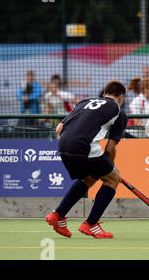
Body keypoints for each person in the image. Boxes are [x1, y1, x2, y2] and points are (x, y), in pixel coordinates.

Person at [46, 79, 131, 239]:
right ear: (121, 97)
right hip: (83, 146)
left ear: (104, 94)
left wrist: (104, 167)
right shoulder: (119, 112)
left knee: (89, 178)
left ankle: (58, 215)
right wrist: (111, 168)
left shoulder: (85, 102)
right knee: (113, 179)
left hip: (63, 145)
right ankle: (91, 224)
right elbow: (110, 147)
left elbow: (59, 128)